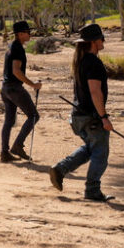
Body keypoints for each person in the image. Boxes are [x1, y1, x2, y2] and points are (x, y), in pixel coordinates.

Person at [48, 24, 113, 202]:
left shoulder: (82, 61)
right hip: (90, 117)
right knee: (100, 153)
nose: (103, 40)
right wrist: (104, 117)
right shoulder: (93, 62)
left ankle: (60, 169)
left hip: (78, 116)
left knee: (91, 148)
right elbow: (95, 92)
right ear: (93, 42)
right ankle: (92, 190)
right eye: (101, 38)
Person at [0, 21, 42, 162]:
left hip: (5, 88)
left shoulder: (11, 46)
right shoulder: (18, 48)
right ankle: (18, 145)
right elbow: (16, 71)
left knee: (9, 121)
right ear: (21, 34)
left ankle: (4, 152)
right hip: (14, 88)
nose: (30, 34)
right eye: (27, 31)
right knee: (34, 116)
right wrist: (33, 85)